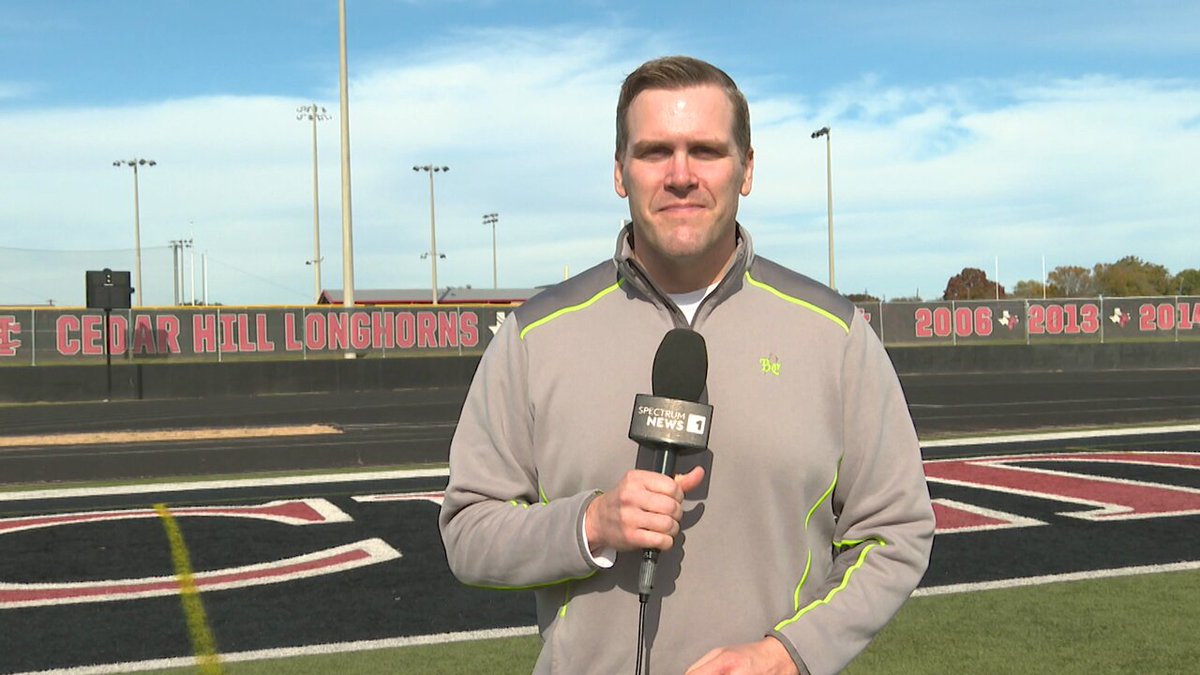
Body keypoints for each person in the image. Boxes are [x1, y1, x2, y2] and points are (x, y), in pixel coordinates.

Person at [439, 55, 934, 675]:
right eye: (653, 152)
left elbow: (896, 532)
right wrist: (589, 523)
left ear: (746, 169)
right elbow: (467, 532)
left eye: (706, 150)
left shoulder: (834, 337)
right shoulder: (535, 337)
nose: (680, 175)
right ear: (620, 172)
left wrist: (790, 656)